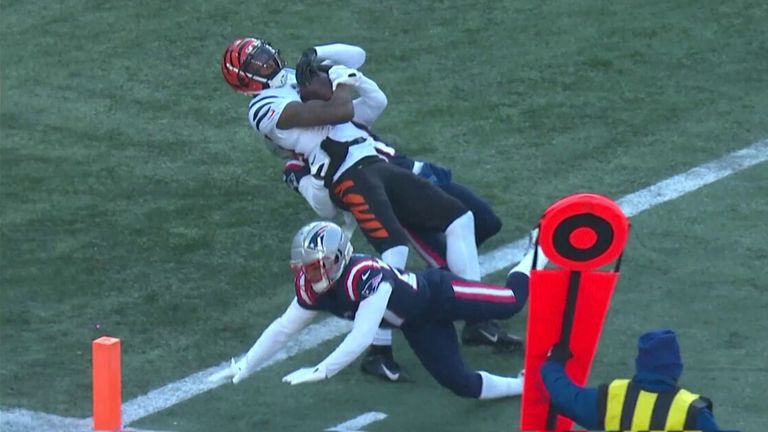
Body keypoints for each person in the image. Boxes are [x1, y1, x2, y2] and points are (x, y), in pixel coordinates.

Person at [220, 39, 507, 381]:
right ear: (244, 81)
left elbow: (359, 65)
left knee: (462, 218)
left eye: (265, 55)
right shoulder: (264, 107)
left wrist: (316, 53)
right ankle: (381, 344)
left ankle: (473, 313)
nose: (267, 62)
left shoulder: (292, 81)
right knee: (394, 252)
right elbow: (339, 111)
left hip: (378, 164)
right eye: (256, 64)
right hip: (349, 175)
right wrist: (340, 82)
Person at [209, 221, 548, 399]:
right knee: (460, 384)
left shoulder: (364, 275)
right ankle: (524, 387)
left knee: (510, 302)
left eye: (317, 266)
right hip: (418, 325)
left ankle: (539, 248)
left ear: (339, 258)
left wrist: (324, 369)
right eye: (306, 267)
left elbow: (362, 336)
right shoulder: (314, 286)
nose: (310, 274)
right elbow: (284, 328)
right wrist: (246, 364)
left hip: (441, 294)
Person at [541, 329, 720, 431]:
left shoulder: (612, 398)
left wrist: (553, 364)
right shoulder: (693, 411)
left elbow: (564, 396)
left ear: (639, 363)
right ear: (676, 367)